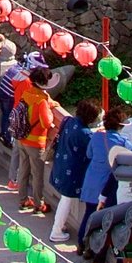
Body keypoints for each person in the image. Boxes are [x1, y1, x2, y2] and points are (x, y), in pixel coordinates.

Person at [5, 53, 63, 212]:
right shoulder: (41, 101)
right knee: (37, 175)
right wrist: (50, 108)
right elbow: (46, 122)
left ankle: (23, 199)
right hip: (36, 142)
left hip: (22, 138)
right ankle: (39, 203)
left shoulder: (27, 92)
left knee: (23, 170)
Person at [50, 99, 99, 242]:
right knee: (66, 200)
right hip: (72, 173)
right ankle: (56, 231)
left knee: (64, 200)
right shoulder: (86, 134)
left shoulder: (68, 121)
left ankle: (59, 226)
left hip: (60, 165)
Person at [79, 103, 130, 235]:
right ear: (120, 126)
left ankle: (81, 243)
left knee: (88, 214)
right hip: (105, 186)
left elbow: (89, 154)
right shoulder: (122, 142)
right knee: (102, 220)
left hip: (90, 181)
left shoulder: (96, 136)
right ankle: (93, 247)